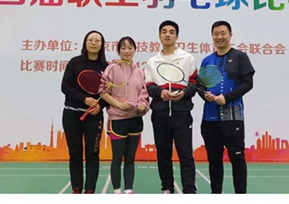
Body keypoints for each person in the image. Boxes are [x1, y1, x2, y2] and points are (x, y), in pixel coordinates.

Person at [199, 21, 255, 194]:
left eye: (223, 33)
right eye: (216, 34)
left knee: (237, 159)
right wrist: (205, 95)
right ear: (212, 36)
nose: (219, 37)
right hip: (210, 119)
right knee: (214, 160)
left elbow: (248, 83)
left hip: (233, 118)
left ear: (230, 35)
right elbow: (200, 86)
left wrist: (227, 98)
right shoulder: (207, 60)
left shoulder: (240, 57)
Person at [144, 20, 198, 194]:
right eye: (164, 31)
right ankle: (167, 188)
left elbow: (194, 83)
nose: (167, 34)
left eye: (171, 32)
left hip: (182, 113)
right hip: (160, 114)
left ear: (177, 36)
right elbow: (149, 85)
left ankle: (189, 190)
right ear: (159, 36)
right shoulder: (152, 61)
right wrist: (160, 92)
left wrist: (184, 93)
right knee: (163, 154)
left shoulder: (187, 58)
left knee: (185, 154)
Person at [61, 30, 108, 194]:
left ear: (102, 44)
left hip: (94, 117)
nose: (94, 43)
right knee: (75, 153)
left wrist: (100, 105)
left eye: (97, 40)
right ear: (85, 42)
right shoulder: (75, 62)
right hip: (71, 114)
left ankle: (89, 190)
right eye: (90, 40)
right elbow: (65, 86)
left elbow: (108, 93)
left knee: (92, 154)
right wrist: (84, 99)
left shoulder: (106, 67)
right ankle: (76, 188)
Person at [100, 37, 149, 194]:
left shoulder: (140, 72)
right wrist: (119, 105)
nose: (127, 51)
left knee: (130, 158)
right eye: (123, 48)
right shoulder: (111, 69)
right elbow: (103, 92)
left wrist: (142, 105)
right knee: (117, 158)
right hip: (117, 121)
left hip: (135, 120)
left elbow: (144, 94)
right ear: (118, 50)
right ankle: (117, 191)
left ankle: (128, 190)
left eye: (130, 48)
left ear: (135, 50)